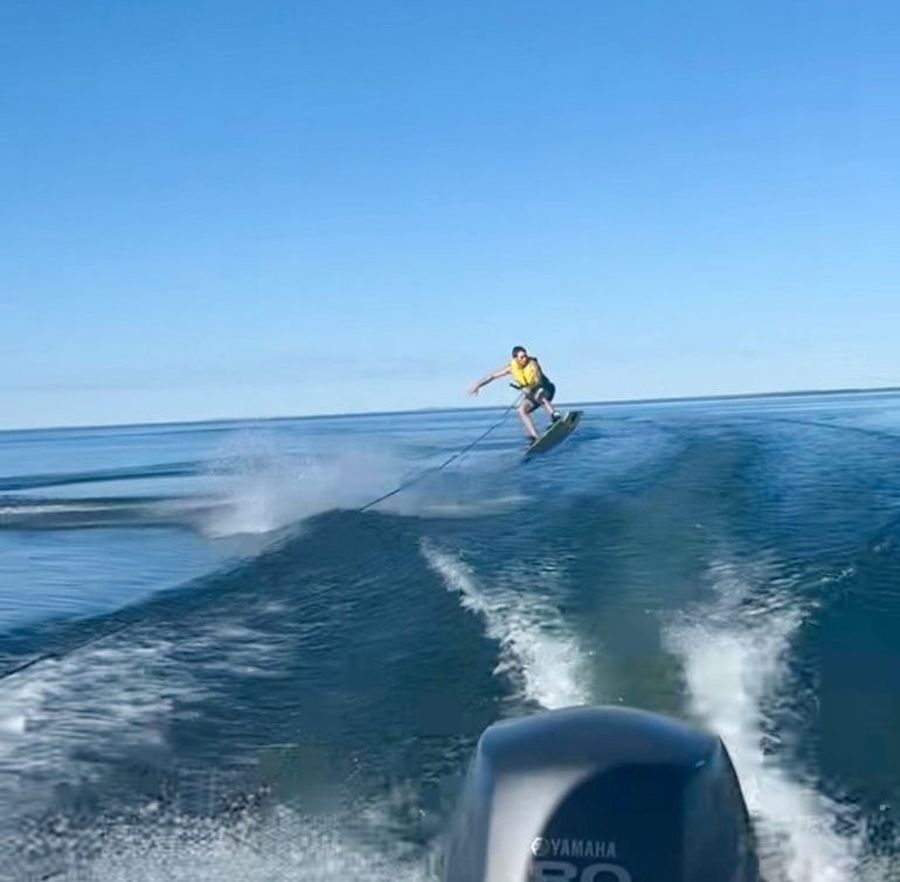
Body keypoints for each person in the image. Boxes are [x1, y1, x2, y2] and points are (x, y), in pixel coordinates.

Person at [468, 346, 561, 444]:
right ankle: (535, 436)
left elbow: (537, 379)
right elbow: (492, 376)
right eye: (522, 357)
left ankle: (554, 416)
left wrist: (529, 388)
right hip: (531, 394)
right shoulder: (511, 368)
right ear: (515, 359)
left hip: (547, 389)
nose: (525, 359)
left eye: (525, 356)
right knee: (521, 410)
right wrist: (478, 385)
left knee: (538, 395)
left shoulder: (533, 364)